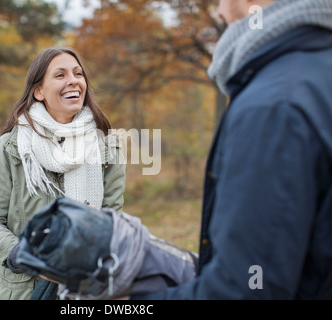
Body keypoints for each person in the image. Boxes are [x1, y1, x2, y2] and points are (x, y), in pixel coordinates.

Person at [132, 0, 332, 299]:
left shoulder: (272, 108)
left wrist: (126, 303)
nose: (220, 13)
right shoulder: (318, 72)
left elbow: (247, 289)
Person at [0, 47, 126, 300]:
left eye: (78, 73)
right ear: (39, 92)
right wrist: (27, 255)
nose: (73, 81)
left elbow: (116, 221)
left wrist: (98, 231)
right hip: (24, 290)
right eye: (60, 75)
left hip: (83, 287)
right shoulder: (12, 147)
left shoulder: (108, 147)